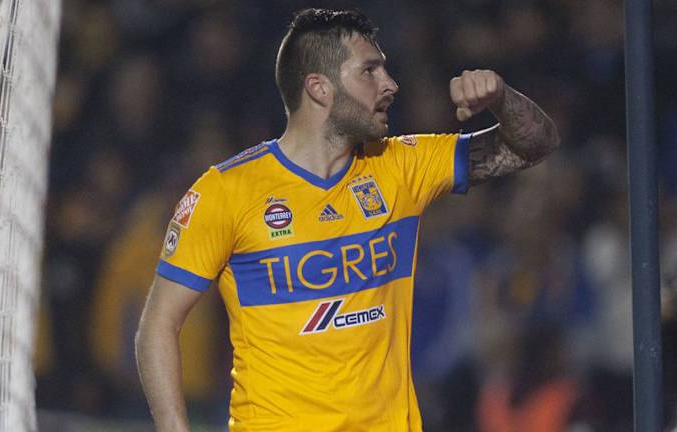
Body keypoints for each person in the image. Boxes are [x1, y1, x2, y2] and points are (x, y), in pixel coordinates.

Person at [135, 8, 559, 432]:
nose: (390, 84)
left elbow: (536, 145)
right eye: (369, 71)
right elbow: (157, 326)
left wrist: (501, 99)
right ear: (319, 88)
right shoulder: (226, 192)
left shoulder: (400, 166)